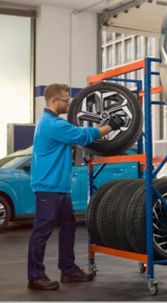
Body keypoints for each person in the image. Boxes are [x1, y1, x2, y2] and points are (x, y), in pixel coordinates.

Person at [27, 83, 124, 290]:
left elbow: (79, 134)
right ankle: (35, 276)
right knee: (42, 231)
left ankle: (68, 270)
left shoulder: (53, 123)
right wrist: (110, 126)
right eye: (65, 99)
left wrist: (100, 130)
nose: (69, 102)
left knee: (68, 227)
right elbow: (82, 136)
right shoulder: (52, 124)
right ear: (54, 101)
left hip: (59, 187)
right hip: (48, 187)